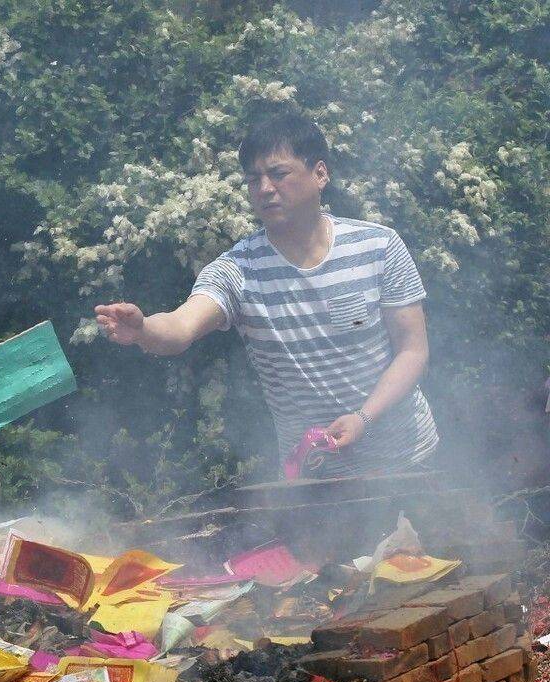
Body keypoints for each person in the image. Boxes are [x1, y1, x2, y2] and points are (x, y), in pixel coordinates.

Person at [95, 113, 438, 477]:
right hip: (312, 477)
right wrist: (145, 329)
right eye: (253, 179)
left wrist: (364, 417)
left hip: (407, 461)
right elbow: (181, 326)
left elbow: (413, 351)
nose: (265, 188)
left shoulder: (379, 246)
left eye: (278, 174)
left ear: (320, 174)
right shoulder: (239, 269)